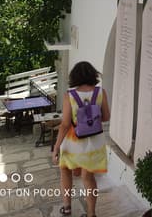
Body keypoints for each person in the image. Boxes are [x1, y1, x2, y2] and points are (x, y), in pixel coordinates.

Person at [52, 61, 110, 217]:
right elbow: (106, 117)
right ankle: (91, 213)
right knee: (88, 177)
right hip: (94, 144)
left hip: (73, 142)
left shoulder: (69, 95)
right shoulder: (101, 92)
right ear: (93, 75)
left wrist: (56, 147)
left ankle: (67, 207)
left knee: (65, 170)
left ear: (74, 77)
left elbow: (65, 124)